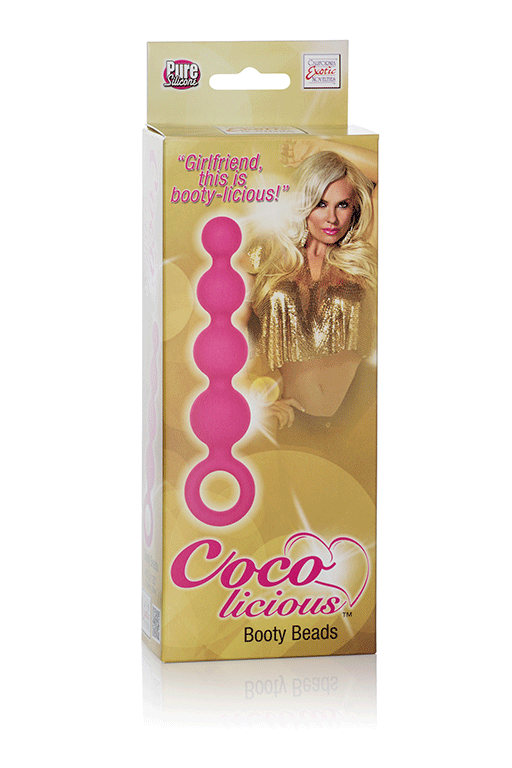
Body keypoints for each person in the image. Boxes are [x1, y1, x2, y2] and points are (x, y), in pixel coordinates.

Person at [244, 146, 377, 434]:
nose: (332, 218)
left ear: (354, 207)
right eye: (320, 203)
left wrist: (319, 146)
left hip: (359, 413)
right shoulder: (266, 254)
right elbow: (227, 332)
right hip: (291, 418)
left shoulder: (360, 255)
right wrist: (249, 403)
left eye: (342, 205)